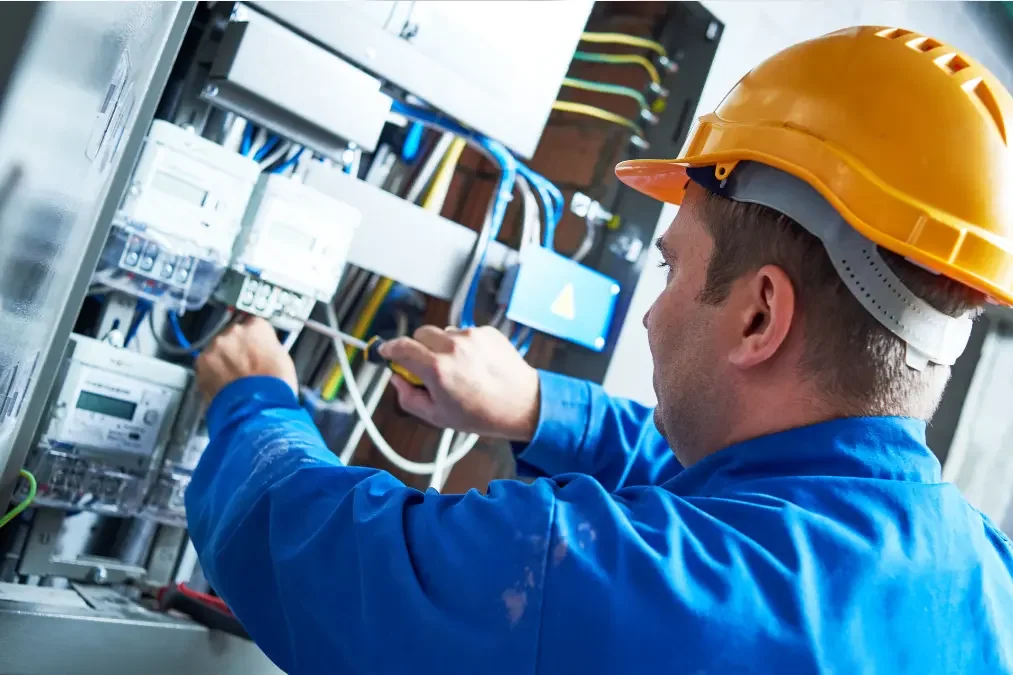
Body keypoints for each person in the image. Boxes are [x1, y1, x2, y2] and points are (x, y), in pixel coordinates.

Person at [186, 26, 1013, 674]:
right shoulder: (987, 578)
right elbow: (767, 510)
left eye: (673, 266)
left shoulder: (612, 584)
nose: (650, 318)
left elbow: (317, 556)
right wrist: (543, 410)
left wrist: (253, 398)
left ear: (760, 316)